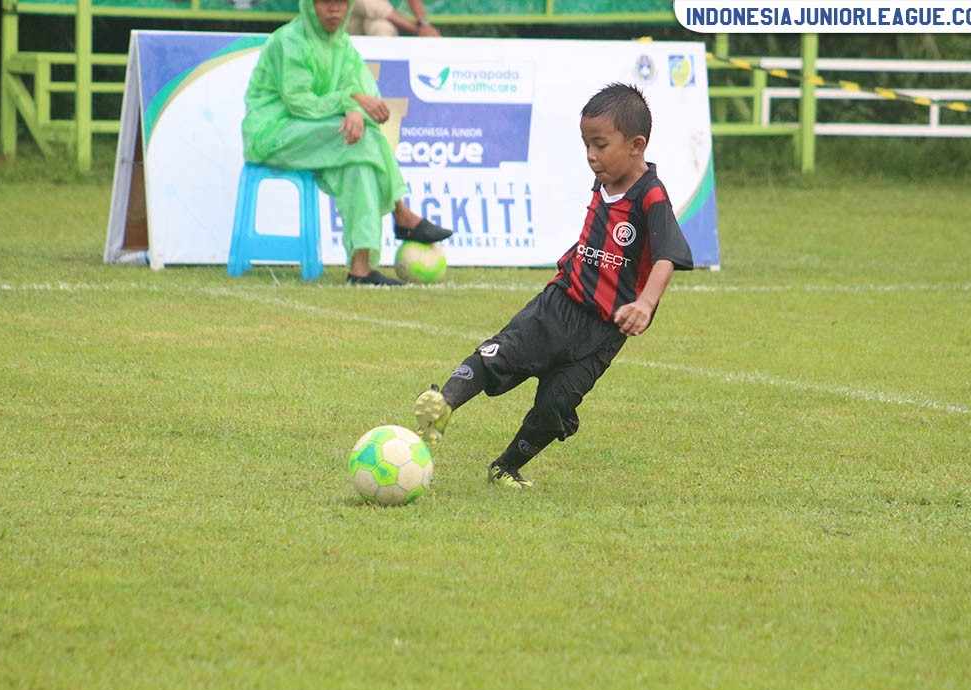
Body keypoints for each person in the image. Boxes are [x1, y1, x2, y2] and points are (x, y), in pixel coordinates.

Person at [413, 83, 695, 489]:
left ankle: (505, 466)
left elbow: (668, 253)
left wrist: (646, 304)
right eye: (586, 145)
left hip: (604, 332)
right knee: (502, 352)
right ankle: (445, 402)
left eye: (600, 145)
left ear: (636, 145)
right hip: (561, 303)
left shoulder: (651, 196)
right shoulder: (603, 178)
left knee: (556, 405)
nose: (591, 156)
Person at [241, 0, 452, 286]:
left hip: (320, 135)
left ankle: (361, 269)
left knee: (360, 160)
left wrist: (355, 109)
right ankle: (401, 212)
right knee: (360, 138)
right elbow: (298, 102)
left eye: (341, 3)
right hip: (273, 134)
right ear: (309, 5)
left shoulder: (343, 46)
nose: (335, 10)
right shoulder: (289, 41)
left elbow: (368, 95)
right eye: (325, 3)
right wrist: (350, 103)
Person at [348, 0, 441, 37]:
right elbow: (385, 12)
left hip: (370, 23)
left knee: (382, 28)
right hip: (346, 33)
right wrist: (421, 30)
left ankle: (381, 75)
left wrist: (423, 23)